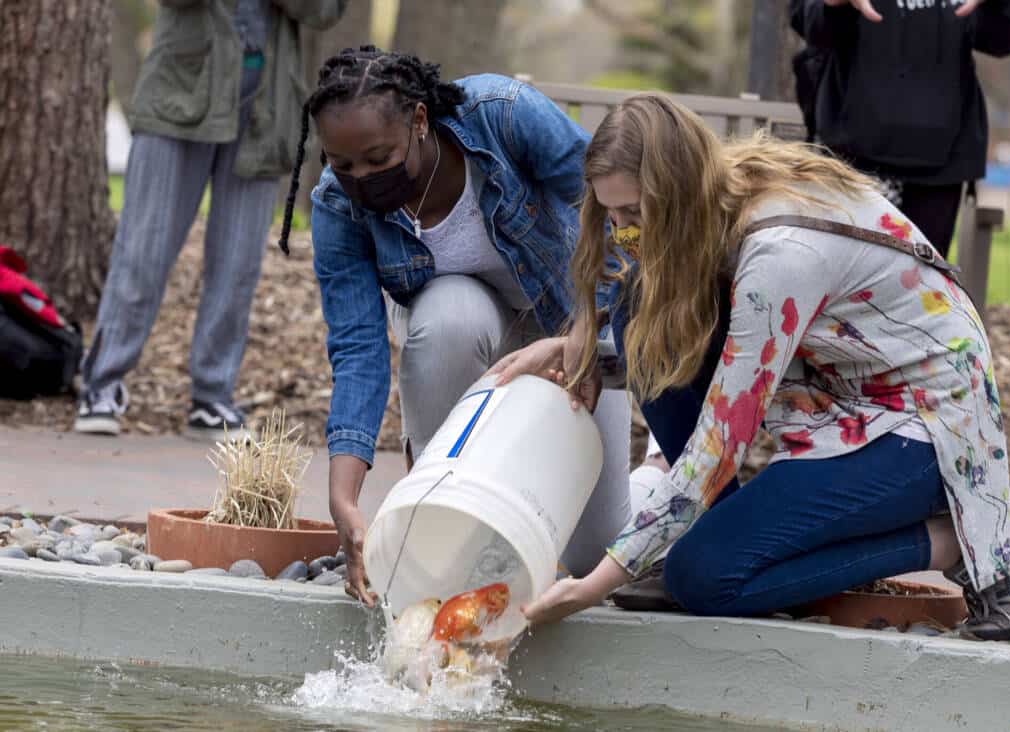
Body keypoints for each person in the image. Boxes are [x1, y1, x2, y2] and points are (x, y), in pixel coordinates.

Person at [493, 94, 1010, 640]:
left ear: (675, 191)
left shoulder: (781, 257)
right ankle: (719, 529)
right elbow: (666, 333)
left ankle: (948, 541)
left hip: (927, 428)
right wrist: (579, 350)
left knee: (704, 577)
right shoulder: (720, 190)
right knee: (639, 310)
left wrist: (595, 583)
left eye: (634, 214)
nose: (623, 232)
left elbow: (720, 441)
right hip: (841, 388)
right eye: (613, 215)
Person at [277, 47, 632, 606]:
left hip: (570, 321)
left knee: (596, 554)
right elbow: (357, 348)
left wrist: (587, 330)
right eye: (342, 165)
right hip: (465, 338)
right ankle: (445, 496)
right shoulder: (337, 206)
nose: (361, 178)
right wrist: (344, 498)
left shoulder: (502, 113)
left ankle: (656, 476)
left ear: (419, 121)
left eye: (377, 157)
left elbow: (612, 213)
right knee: (447, 315)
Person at [75, 0, 347, 440]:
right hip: (177, 94)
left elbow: (325, 11)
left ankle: (211, 395)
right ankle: (100, 385)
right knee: (143, 250)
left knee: (238, 264)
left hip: (266, 110)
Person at [790, 0, 1010, 257]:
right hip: (853, 154)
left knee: (920, 284)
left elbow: (1005, 37)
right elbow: (809, 24)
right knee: (845, 275)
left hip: (940, 161)